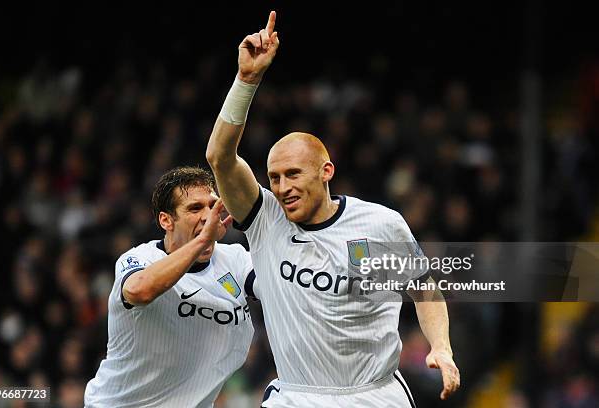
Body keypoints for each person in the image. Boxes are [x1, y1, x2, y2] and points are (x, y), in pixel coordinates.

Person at [206, 11, 460, 407]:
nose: (282, 187)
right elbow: (219, 157)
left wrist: (441, 347)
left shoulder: (380, 225)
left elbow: (424, 289)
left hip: (372, 396)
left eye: (293, 174)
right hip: (297, 396)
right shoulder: (266, 219)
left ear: (327, 171)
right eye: (274, 178)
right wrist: (247, 80)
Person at [84, 166, 257, 408]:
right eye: (195, 208)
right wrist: (202, 241)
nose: (208, 216)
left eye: (212, 205)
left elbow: (279, 284)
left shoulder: (235, 260)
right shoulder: (140, 260)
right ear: (166, 220)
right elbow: (139, 291)